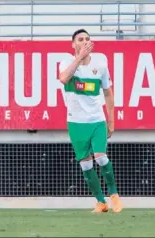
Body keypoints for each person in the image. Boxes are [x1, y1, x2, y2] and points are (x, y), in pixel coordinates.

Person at [58, 29, 123, 213]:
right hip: (76, 121)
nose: (85, 41)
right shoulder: (66, 62)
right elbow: (63, 78)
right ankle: (100, 202)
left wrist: (111, 121)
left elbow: (108, 92)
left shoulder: (101, 63)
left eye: (87, 39)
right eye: (80, 39)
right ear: (73, 44)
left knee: (101, 157)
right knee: (86, 164)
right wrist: (79, 58)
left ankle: (114, 195)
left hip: (96, 119)